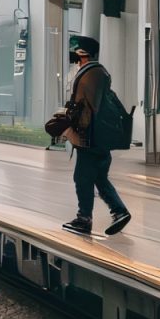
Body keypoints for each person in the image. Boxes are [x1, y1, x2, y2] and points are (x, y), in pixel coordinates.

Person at [51, 36, 131, 238]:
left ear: (82, 53)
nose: (72, 56)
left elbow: (87, 109)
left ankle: (84, 219)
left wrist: (71, 127)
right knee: (99, 177)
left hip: (91, 138)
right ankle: (119, 211)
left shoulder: (91, 74)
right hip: (98, 136)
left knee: (82, 178)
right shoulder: (96, 72)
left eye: (74, 51)